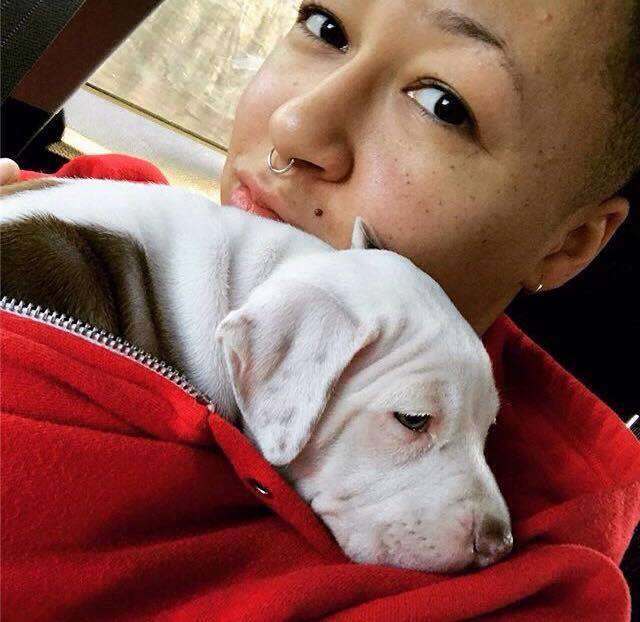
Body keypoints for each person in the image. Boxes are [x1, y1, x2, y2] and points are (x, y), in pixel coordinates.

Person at [1, 1, 639, 620]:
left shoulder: (515, 595)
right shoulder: (77, 214)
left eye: (442, 106)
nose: (295, 125)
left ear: (568, 243)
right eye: (326, 26)